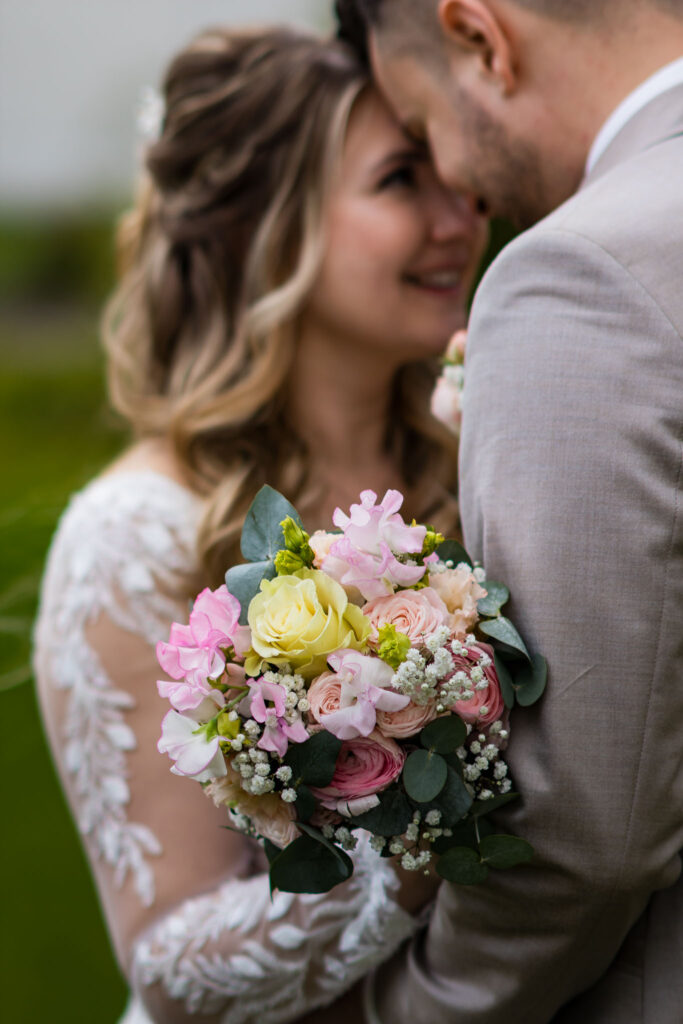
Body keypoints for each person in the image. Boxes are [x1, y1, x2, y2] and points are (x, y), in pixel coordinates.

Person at [33, 24, 488, 1024]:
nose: (462, 209)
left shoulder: (479, 458)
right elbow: (169, 952)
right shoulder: (133, 535)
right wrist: (420, 856)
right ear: (267, 231)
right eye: (401, 178)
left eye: (449, 166)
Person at [334, 1, 683, 1022]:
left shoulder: (586, 271)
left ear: (478, 37)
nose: (459, 188)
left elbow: (584, 835)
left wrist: (415, 1009)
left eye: (420, 121)